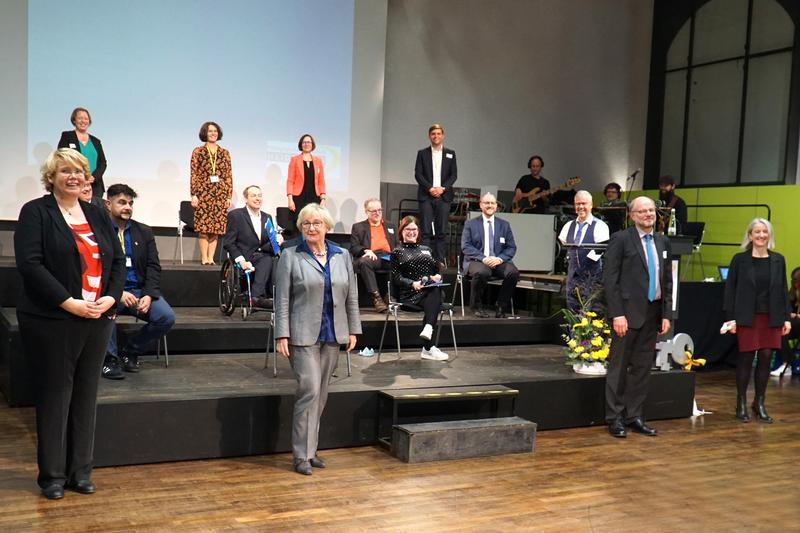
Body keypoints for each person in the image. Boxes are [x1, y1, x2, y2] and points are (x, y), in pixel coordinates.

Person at [14, 148, 125, 499]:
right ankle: (53, 477)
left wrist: (110, 297)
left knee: (85, 396)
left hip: (97, 316)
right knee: (55, 396)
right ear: (52, 177)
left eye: (78, 171)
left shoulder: (97, 213)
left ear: (87, 177)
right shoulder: (35, 212)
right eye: (65, 171)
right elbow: (31, 266)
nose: (73, 177)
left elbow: (118, 261)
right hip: (53, 318)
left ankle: (80, 472)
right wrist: (69, 303)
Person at [275, 204, 360, 475]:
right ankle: (300, 455)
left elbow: (352, 296)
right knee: (309, 390)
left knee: (321, 395)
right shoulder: (290, 256)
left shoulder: (342, 255)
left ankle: (311, 452)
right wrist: (281, 334)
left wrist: (354, 329)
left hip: (333, 333)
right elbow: (282, 299)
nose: (312, 228)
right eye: (306, 224)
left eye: (317, 223)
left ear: (327, 227)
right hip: (302, 334)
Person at [603, 196, 672, 438]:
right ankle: (615, 418)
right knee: (619, 368)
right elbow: (610, 280)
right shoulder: (621, 239)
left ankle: (635, 416)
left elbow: (667, 281)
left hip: (653, 314)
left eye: (651, 210)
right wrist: (617, 314)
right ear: (632, 215)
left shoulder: (663, 241)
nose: (648, 214)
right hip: (627, 315)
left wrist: (666, 314)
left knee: (642, 369)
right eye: (642, 211)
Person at [102, 183, 176, 379]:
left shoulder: (143, 232)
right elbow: (97, 269)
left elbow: (153, 266)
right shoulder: (99, 230)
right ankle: (109, 359)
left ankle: (130, 351)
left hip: (139, 292)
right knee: (104, 311)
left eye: (130, 203)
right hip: (110, 292)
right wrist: (116, 293)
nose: (127, 207)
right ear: (108, 204)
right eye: (122, 202)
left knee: (166, 317)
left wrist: (149, 295)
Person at [722, 218, 791, 423]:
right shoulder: (739, 260)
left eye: (765, 232)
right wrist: (730, 319)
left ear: (769, 235)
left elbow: (783, 290)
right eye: (757, 232)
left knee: (766, 356)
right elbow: (730, 291)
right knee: (745, 357)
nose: (761, 235)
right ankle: (741, 402)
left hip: (772, 316)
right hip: (746, 316)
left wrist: (786, 318)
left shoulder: (778, 260)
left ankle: (759, 403)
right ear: (750, 235)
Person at [391, 216, 450, 361]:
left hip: (428, 290)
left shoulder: (427, 249)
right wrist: (412, 283)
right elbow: (396, 278)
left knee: (435, 289)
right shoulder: (397, 252)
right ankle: (428, 347)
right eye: (408, 229)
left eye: (414, 229)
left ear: (418, 231)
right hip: (410, 293)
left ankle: (428, 334)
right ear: (402, 231)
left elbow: (436, 270)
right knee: (435, 298)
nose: (411, 232)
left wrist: (436, 276)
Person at [223, 185, 284, 308]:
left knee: (279, 259)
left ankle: (278, 297)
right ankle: (256, 297)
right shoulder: (236, 215)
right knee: (267, 260)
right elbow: (229, 243)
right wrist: (241, 260)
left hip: (264, 253)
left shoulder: (267, 217)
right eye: (254, 195)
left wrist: (278, 239)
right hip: (246, 255)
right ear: (246, 199)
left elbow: (269, 239)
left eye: (260, 195)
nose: (258, 198)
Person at [460, 192, 519, 318]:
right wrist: (484, 258)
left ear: (496, 206)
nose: (490, 205)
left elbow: (511, 247)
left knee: (513, 273)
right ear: (481, 205)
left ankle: (501, 306)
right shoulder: (470, 224)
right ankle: (476, 306)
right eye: (487, 203)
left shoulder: (504, 225)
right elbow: (466, 246)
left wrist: (499, 259)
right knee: (482, 272)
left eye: (492, 203)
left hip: (498, 261)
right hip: (476, 260)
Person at [558, 190, 610, 313]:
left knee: (591, 313)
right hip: (571, 279)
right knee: (572, 313)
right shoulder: (568, 226)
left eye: (584, 203)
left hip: (592, 279)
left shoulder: (600, 226)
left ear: (591, 205)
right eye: (578, 204)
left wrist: (583, 270)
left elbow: (599, 251)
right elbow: (563, 245)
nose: (581, 207)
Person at [414, 123, 457, 267]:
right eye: (433, 134)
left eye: (438, 134)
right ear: (429, 136)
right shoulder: (422, 153)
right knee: (425, 231)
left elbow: (453, 175)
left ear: (443, 136)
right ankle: (425, 259)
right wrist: (430, 188)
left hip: (444, 197)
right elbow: (418, 174)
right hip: (427, 196)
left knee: (441, 231)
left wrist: (442, 188)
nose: (436, 136)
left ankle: (439, 260)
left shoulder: (451, 153)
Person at [190, 121, 233, 265]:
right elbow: (194, 173)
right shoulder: (198, 151)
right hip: (203, 193)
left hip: (220, 194)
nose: (213, 133)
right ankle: (204, 258)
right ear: (205, 133)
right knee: (203, 228)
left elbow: (228, 175)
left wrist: (228, 196)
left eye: (215, 131)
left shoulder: (224, 153)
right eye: (210, 131)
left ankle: (211, 258)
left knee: (215, 229)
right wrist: (194, 194)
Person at [350, 198, 396, 313]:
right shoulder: (358, 227)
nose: (377, 213)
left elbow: (397, 243)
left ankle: (391, 296)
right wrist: (366, 250)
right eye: (374, 211)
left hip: (388, 257)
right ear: (367, 212)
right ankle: (377, 298)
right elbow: (354, 247)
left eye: (379, 210)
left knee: (402, 261)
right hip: (372, 256)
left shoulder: (390, 225)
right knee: (364, 262)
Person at [58, 107, 107, 200]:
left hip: (94, 185)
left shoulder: (96, 141)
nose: (83, 121)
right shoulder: (67, 136)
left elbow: (102, 163)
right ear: (74, 120)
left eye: (86, 118)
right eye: (80, 118)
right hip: (74, 182)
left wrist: (93, 177)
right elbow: (61, 157)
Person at [287, 134, 326, 235]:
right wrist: (290, 199)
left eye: (309, 142)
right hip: (298, 197)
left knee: (313, 222)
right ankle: (297, 249)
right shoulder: (295, 159)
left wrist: (323, 198)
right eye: (304, 142)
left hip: (314, 196)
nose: (306, 144)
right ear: (301, 144)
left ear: (312, 144)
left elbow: (321, 180)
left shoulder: (318, 160)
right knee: (299, 223)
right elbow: (290, 180)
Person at [772, 266, 800, 376]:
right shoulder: (793, 293)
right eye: (793, 281)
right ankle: (786, 363)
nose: (794, 284)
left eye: (796, 282)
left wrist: (796, 315)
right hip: (794, 323)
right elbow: (786, 309)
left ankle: (788, 361)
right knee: (780, 329)